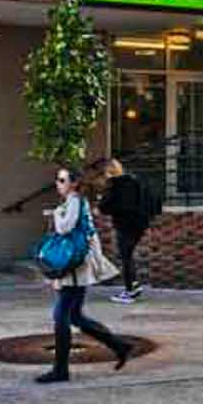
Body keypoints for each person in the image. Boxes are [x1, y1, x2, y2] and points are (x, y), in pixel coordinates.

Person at [36, 164, 132, 382]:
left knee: (61, 316)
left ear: (74, 183)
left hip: (76, 266)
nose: (58, 184)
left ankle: (61, 370)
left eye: (62, 180)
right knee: (75, 316)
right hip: (76, 264)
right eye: (57, 180)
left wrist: (56, 214)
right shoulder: (73, 201)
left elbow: (64, 228)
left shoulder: (75, 201)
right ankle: (119, 346)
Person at [102, 157, 158, 304]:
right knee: (128, 255)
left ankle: (129, 291)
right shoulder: (136, 181)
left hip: (125, 225)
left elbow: (106, 207)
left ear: (109, 172)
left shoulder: (115, 186)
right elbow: (150, 200)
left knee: (126, 256)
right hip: (140, 224)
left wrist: (101, 202)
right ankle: (133, 285)